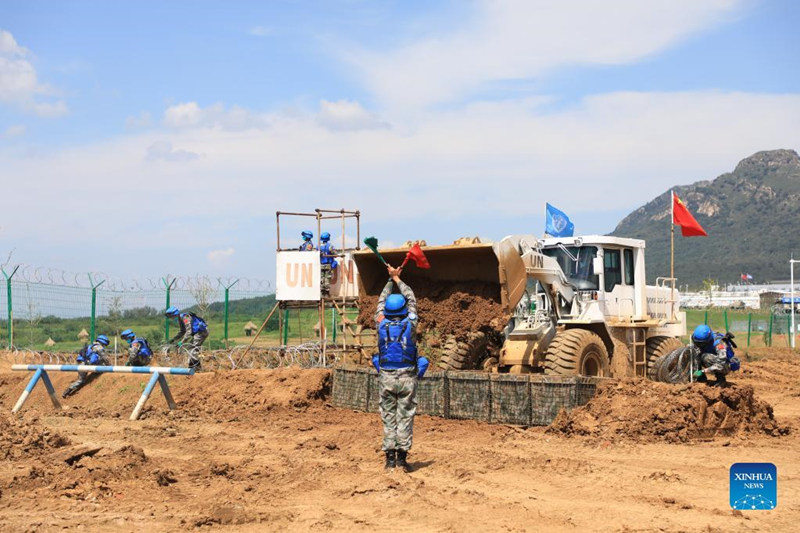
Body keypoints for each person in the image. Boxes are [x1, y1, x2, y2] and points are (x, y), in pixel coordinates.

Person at [371, 265, 429, 472]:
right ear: (404, 309)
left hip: (386, 376)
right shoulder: (411, 323)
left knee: (388, 417)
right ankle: (402, 460)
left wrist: (389, 280)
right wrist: (397, 279)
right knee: (405, 417)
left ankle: (389, 460)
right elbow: (411, 297)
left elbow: (380, 301)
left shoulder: (380, 322)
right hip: (407, 377)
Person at [165, 306, 208, 370]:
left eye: (172, 317)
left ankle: (195, 367)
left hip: (201, 332)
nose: (171, 318)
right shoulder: (180, 319)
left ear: (175, 314)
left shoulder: (185, 318)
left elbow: (188, 332)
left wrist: (182, 342)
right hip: (197, 333)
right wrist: (174, 339)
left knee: (193, 348)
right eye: (170, 317)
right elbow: (182, 331)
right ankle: (195, 366)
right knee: (191, 348)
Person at [319, 231, 338, 296]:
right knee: (327, 278)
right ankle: (326, 293)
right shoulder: (330, 246)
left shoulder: (318, 246)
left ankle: (322, 292)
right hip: (328, 265)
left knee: (321, 278)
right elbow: (335, 255)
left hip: (320, 265)